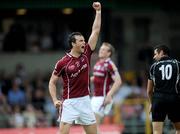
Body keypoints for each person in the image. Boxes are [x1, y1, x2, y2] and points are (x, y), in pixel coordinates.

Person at [48, 2, 101, 134]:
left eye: (84, 40)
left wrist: (98, 12)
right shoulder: (62, 62)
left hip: (85, 101)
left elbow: (95, 31)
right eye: (81, 41)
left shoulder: (86, 54)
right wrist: (54, 100)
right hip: (69, 103)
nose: (84, 42)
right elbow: (52, 82)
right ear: (73, 43)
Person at [147, 45, 180, 134]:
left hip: (158, 100)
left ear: (161, 52)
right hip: (174, 98)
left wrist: (151, 103)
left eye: (155, 54)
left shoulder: (153, 67)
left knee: (157, 131)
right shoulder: (177, 64)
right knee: (179, 129)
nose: (154, 57)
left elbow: (149, 90)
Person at [91, 42, 122, 133]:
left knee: (92, 125)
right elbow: (97, 78)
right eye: (101, 48)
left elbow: (118, 81)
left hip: (102, 98)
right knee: (90, 127)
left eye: (104, 49)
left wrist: (109, 95)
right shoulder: (98, 63)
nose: (101, 50)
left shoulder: (109, 64)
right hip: (95, 97)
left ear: (109, 53)